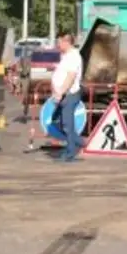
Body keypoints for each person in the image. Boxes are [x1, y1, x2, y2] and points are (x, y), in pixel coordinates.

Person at [51, 31, 84, 163]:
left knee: (67, 125)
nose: (58, 44)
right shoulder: (66, 56)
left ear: (66, 42)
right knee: (56, 121)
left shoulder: (73, 56)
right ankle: (77, 142)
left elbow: (71, 77)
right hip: (63, 95)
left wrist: (61, 92)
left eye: (59, 42)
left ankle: (70, 152)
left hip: (69, 95)